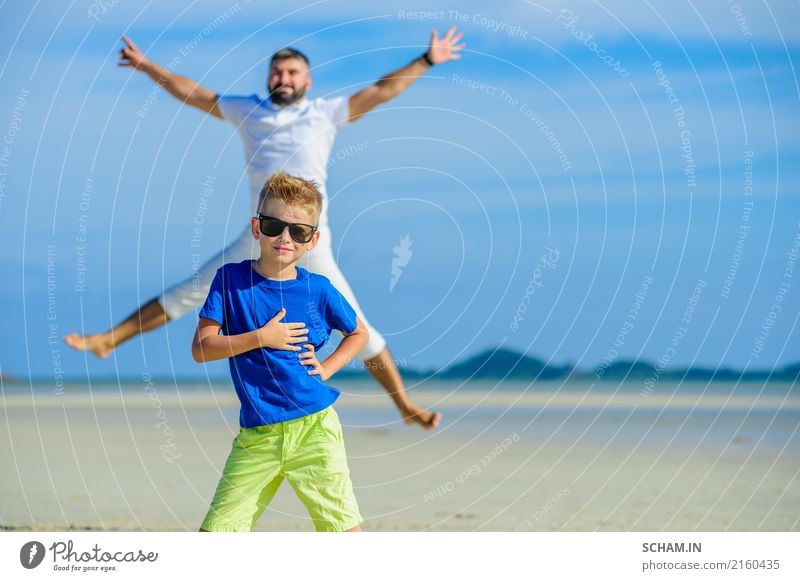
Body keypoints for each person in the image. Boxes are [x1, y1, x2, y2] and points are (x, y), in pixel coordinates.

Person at [65, 28, 466, 429]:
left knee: (360, 329)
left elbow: (381, 90)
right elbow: (194, 93)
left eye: (292, 72)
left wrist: (426, 60)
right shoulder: (249, 111)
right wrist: (147, 66)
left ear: (307, 81)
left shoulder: (324, 113)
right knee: (190, 292)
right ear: (268, 78)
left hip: (311, 240)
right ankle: (108, 341)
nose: (284, 78)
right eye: (277, 72)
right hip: (260, 234)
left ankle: (405, 406)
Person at [193, 172, 367, 532]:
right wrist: (261, 337)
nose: (285, 237)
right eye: (274, 225)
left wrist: (328, 367)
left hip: (315, 427)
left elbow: (358, 333)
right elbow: (202, 349)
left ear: (312, 239)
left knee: (343, 530)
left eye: (298, 231)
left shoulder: (318, 289)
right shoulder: (230, 281)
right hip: (258, 434)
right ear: (257, 228)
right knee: (217, 532)